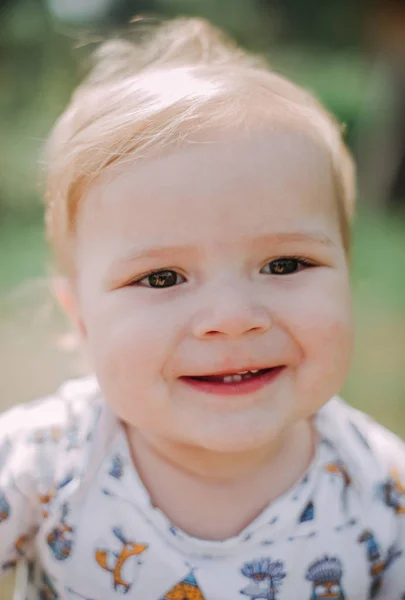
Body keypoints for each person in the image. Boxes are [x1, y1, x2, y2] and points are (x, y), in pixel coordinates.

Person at [0, 16, 404, 600]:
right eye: (162, 277)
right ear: (79, 319)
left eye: (285, 265)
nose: (234, 317)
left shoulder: (380, 484)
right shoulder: (40, 464)